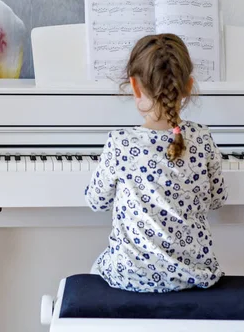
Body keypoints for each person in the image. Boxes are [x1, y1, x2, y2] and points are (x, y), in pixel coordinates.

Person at [85, 33, 228, 293]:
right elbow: (218, 199)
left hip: (130, 276)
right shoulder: (203, 137)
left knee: (96, 269)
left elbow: (97, 202)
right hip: (194, 275)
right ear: (188, 86)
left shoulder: (120, 142)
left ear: (134, 87)